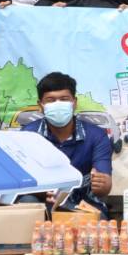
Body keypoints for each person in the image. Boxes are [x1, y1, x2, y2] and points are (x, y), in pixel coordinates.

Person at [19, 73, 113, 215]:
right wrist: (42, 192)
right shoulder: (27, 135)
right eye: (51, 100)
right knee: (26, 202)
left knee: (99, 222)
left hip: (83, 204)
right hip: (43, 202)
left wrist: (103, 184)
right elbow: (21, 181)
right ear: (40, 105)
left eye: (64, 99)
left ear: (74, 103)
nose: (58, 104)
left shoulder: (96, 136)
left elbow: (103, 185)